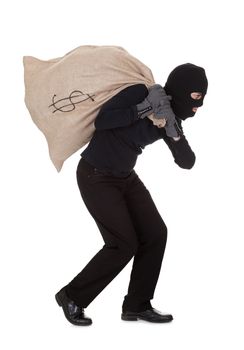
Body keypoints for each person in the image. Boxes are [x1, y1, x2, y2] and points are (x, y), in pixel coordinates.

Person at [55, 63, 208, 326]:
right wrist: (144, 108)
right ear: (182, 90)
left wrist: (174, 134)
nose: (200, 104)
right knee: (122, 244)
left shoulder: (168, 117)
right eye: (195, 96)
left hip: (125, 177)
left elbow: (187, 162)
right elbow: (103, 121)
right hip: (95, 175)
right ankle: (71, 296)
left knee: (156, 233)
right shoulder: (140, 92)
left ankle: (137, 305)